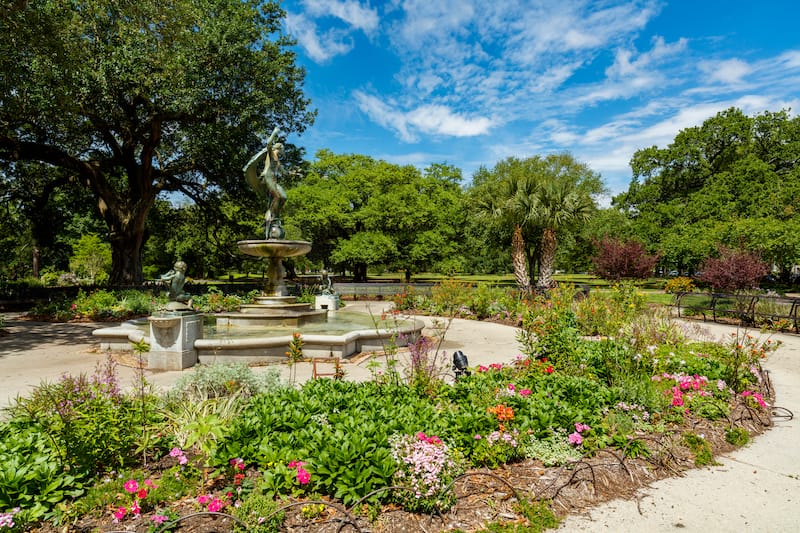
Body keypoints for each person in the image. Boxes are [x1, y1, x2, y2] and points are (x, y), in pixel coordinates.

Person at [243, 126, 287, 239]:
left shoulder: (277, 161)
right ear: (280, 148)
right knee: (277, 196)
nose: (283, 152)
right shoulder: (271, 152)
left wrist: (295, 173)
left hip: (273, 179)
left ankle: (273, 214)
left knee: (284, 197)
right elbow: (268, 144)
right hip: (267, 177)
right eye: (283, 149)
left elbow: (284, 172)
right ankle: (271, 216)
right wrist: (274, 132)